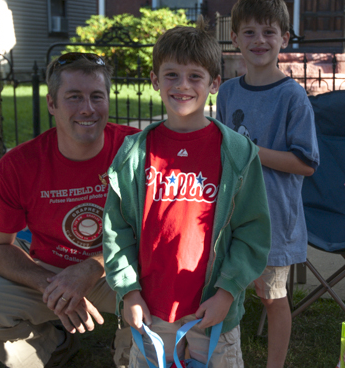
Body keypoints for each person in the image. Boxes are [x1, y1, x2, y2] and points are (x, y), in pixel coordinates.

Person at [0, 52, 140, 368]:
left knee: (174, 290)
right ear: (52, 103)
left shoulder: (136, 150)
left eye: (97, 96)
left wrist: (93, 266)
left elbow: (160, 230)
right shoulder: (18, 166)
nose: (87, 108)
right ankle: (52, 346)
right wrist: (47, 284)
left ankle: (131, 347)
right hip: (51, 272)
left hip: (121, 268)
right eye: (74, 97)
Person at [102, 19, 271, 368]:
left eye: (195, 76)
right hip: (150, 311)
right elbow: (116, 231)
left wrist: (227, 292)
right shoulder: (133, 152)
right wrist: (128, 291)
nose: (182, 85)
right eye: (171, 75)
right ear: (154, 81)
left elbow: (251, 232)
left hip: (212, 314)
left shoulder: (238, 153)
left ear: (214, 84)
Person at [216, 0, 319, 368]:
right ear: (235, 40)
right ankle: (219, 356)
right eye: (249, 32)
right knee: (221, 289)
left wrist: (251, 151)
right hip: (229, 215)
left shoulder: (293, 97)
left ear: (284, 39)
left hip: (274, 218)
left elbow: (306, 163)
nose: (259, 40)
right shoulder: (226, 92)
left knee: (272, 297)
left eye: (269, 32)